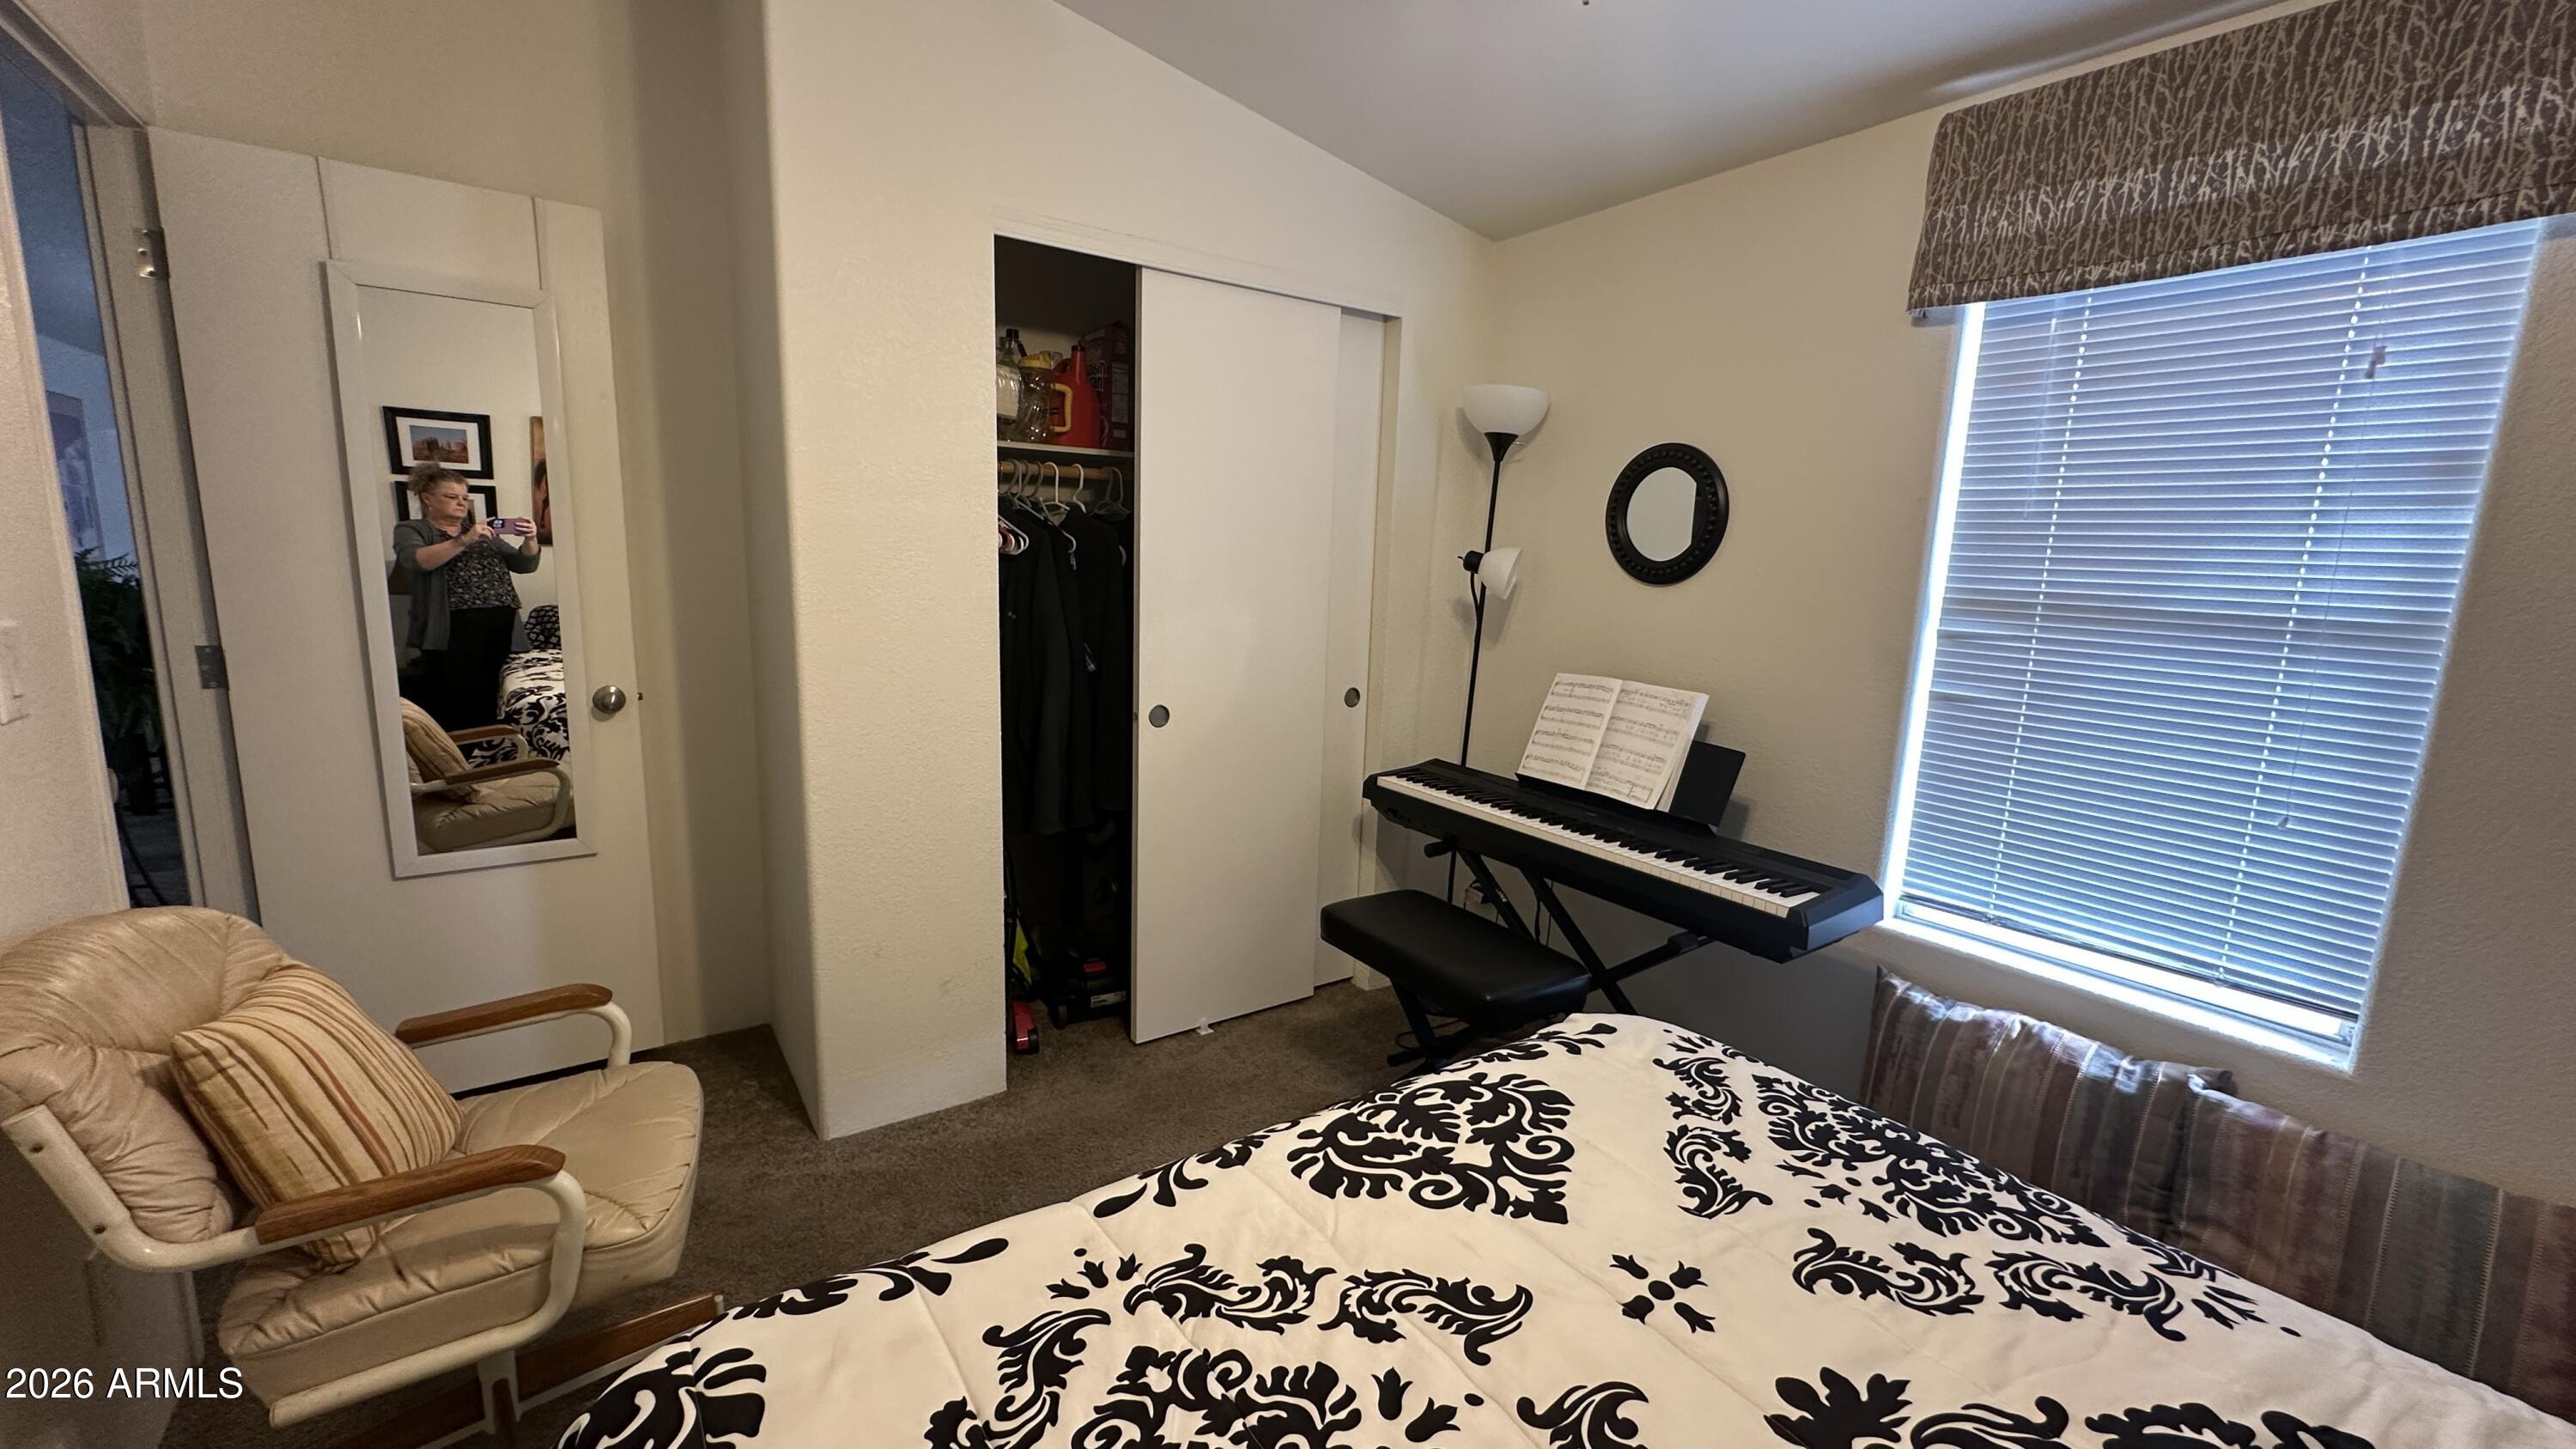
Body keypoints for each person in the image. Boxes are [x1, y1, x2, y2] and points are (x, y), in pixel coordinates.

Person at [392, 463, 541, 730]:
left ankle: (495, 748)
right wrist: (465, 540)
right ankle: (460, 754)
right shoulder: (412, 529)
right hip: (452, 625)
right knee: (455, 693)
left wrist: (530, 540)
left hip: (500, 619)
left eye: (464, 497)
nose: (461, 504)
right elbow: (417, 561)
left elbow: (524, 565)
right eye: (451, 497)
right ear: (427, 499)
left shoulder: (484, 532)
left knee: (495, 688)